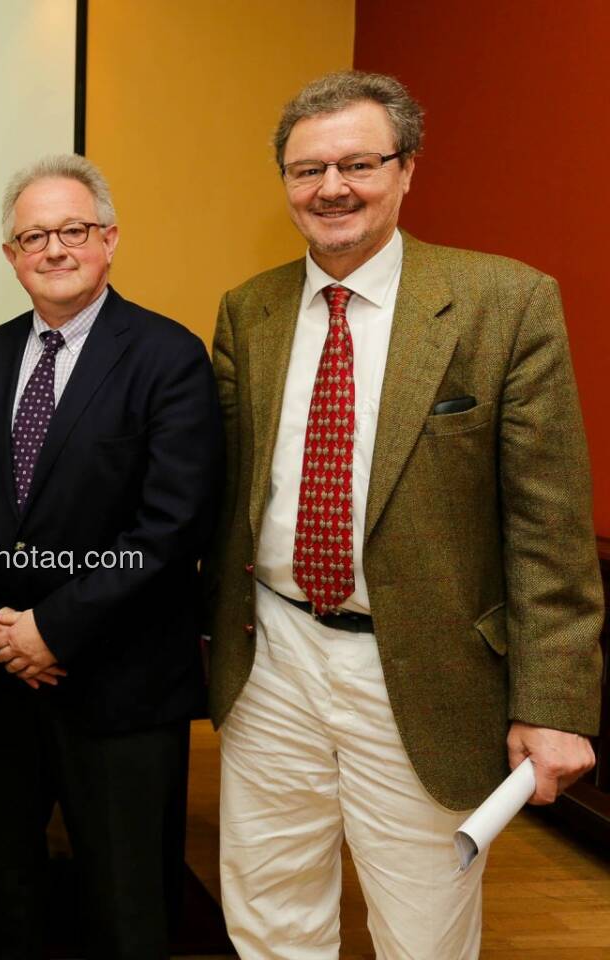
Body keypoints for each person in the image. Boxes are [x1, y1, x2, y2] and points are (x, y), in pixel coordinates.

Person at [208, 70, 602, 959]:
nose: (332, 188)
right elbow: (225, 491)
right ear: (284, 183)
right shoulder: (251, 310)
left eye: (358, 163)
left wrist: (556, 703)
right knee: (270, 915)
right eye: (307, 170)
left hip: (426, 669)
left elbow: (549, 528)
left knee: (423, 932)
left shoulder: (506, 304)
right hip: (271, 656)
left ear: (407, 169)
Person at [0, 153, 222, 959]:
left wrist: (53, 629)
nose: (54, 249)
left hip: (120, 681)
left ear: (110, 239)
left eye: (73, 230)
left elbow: (172, 525)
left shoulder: (169, 356)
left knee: (128, 901)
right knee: (1, 889)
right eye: (33, 236)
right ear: (11, 256)